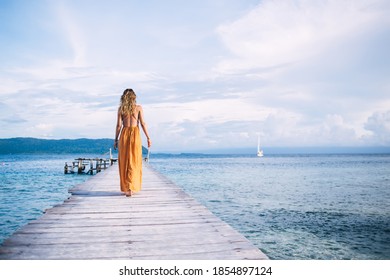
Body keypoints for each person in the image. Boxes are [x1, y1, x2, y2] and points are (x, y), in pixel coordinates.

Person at [114, 88, 151, 197]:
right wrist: (148, 137)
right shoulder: (138, 108)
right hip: (135, 134)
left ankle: (127, 187)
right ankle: (131, 187)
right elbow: (143, 123)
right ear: (134, 97)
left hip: (124, 134)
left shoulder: (121, 109)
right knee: (134, 161)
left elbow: (118, 126)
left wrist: (116, 139)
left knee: (125, 161)